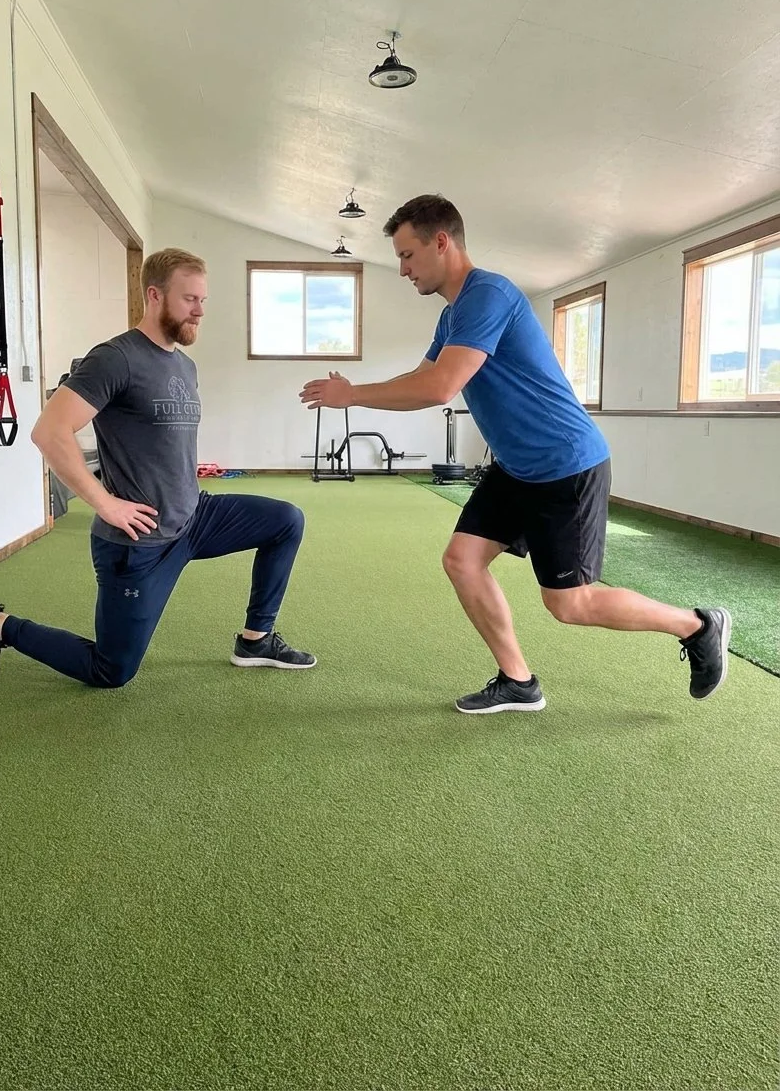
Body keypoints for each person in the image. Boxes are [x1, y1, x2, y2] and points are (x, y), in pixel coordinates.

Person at [299, 194, 730, 714]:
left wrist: (354, 395)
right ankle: (518, 681)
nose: (402, 269)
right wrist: (359, 389)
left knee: (570, 604)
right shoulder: (454, 315)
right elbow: (420, 378)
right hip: (517, 467)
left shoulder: (489, 294)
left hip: (565, 465)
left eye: (408, 255)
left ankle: (698, 625)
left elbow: (440, 388)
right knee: (462, 560)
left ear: (442, 242)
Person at [0, 247, 316, 686]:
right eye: (189, 299)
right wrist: (106, 504)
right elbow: (49, 432)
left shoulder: (185, 366)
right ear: (154, 295)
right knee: (110, 671)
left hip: (194, 518)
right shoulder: (115, 358)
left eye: (204, 300)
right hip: (139, 540)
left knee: (285, 520)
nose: (200, 311)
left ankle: (255, 640)